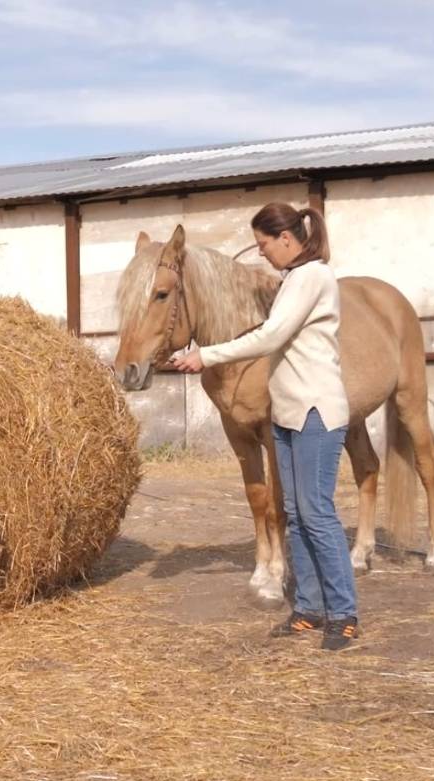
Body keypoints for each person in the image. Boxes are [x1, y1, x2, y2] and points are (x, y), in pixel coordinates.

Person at [168, 202, 359, 650]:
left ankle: (344, 612)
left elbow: (271, 335)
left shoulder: (313, 277)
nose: (261, 254)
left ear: (286, 239)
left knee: (317, 513)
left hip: (316, 411)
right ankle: (309, 609)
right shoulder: (293, 279)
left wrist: (207, 355)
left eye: (264, 245)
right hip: (288, 412)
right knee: (294, 514)